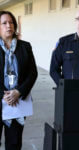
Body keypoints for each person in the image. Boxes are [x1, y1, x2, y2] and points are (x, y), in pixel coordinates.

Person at [0, 11, 38, 149]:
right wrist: (4, 95)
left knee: (14, 143)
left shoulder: (25, 46)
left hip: (18, 103)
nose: (8, 25)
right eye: (4, 23)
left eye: (11, 22)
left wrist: (19, 91)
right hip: (1, 100)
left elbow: (33, 73)